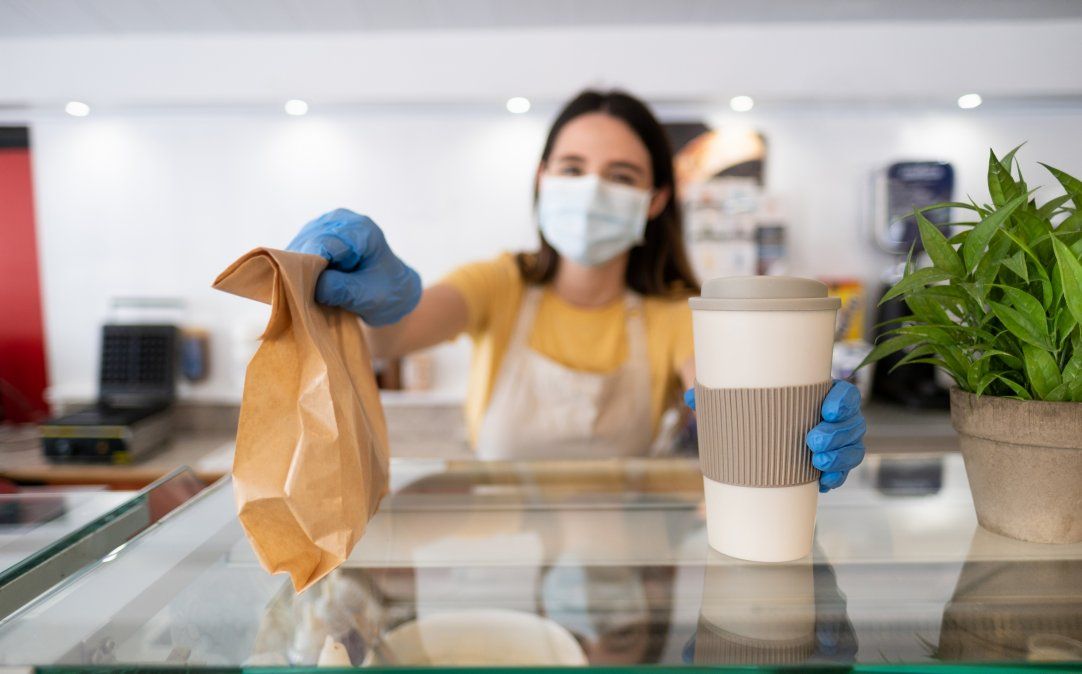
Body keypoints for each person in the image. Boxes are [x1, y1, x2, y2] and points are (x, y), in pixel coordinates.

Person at [287, 89, 865, 491]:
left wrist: (799, 421)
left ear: (656, 200)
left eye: (621, 176)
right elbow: (387, 340)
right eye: (571, 168)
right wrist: (367, 297)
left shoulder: (673, 314)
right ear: (542, 180)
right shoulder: (499, 283)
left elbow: (732, 395)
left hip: (625, 563)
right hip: (500, 544)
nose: (591, 190)